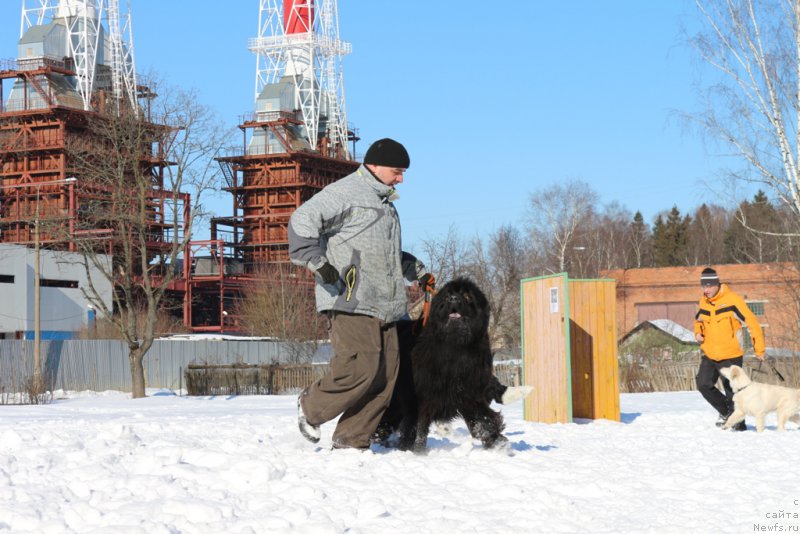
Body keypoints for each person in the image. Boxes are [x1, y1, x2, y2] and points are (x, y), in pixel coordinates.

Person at [288, 138, 432, 450]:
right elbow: (301, 221)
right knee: (360, 367)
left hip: (388, 306)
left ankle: (351, 440)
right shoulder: (345, 193)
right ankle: (310, 407)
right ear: (376, 166)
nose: (401, 179)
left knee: (385, 377)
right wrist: (318, 263)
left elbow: (383, 254)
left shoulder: (385, 205)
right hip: (351, 298)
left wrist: (413, 268)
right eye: (397, 171)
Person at [693, 267, 765, 431]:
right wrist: (698, 333)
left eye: (710, 285)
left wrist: (759, 349)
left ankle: (739, 427)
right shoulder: (703, 301)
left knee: (732, 392)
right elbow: (698, 321)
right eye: (704, 286)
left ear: (717, 284)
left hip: (731, 354)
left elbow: (752, 323)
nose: (707, 289)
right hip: (710, 353)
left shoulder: (733, 300)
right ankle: (728, 413)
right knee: (703, 384)